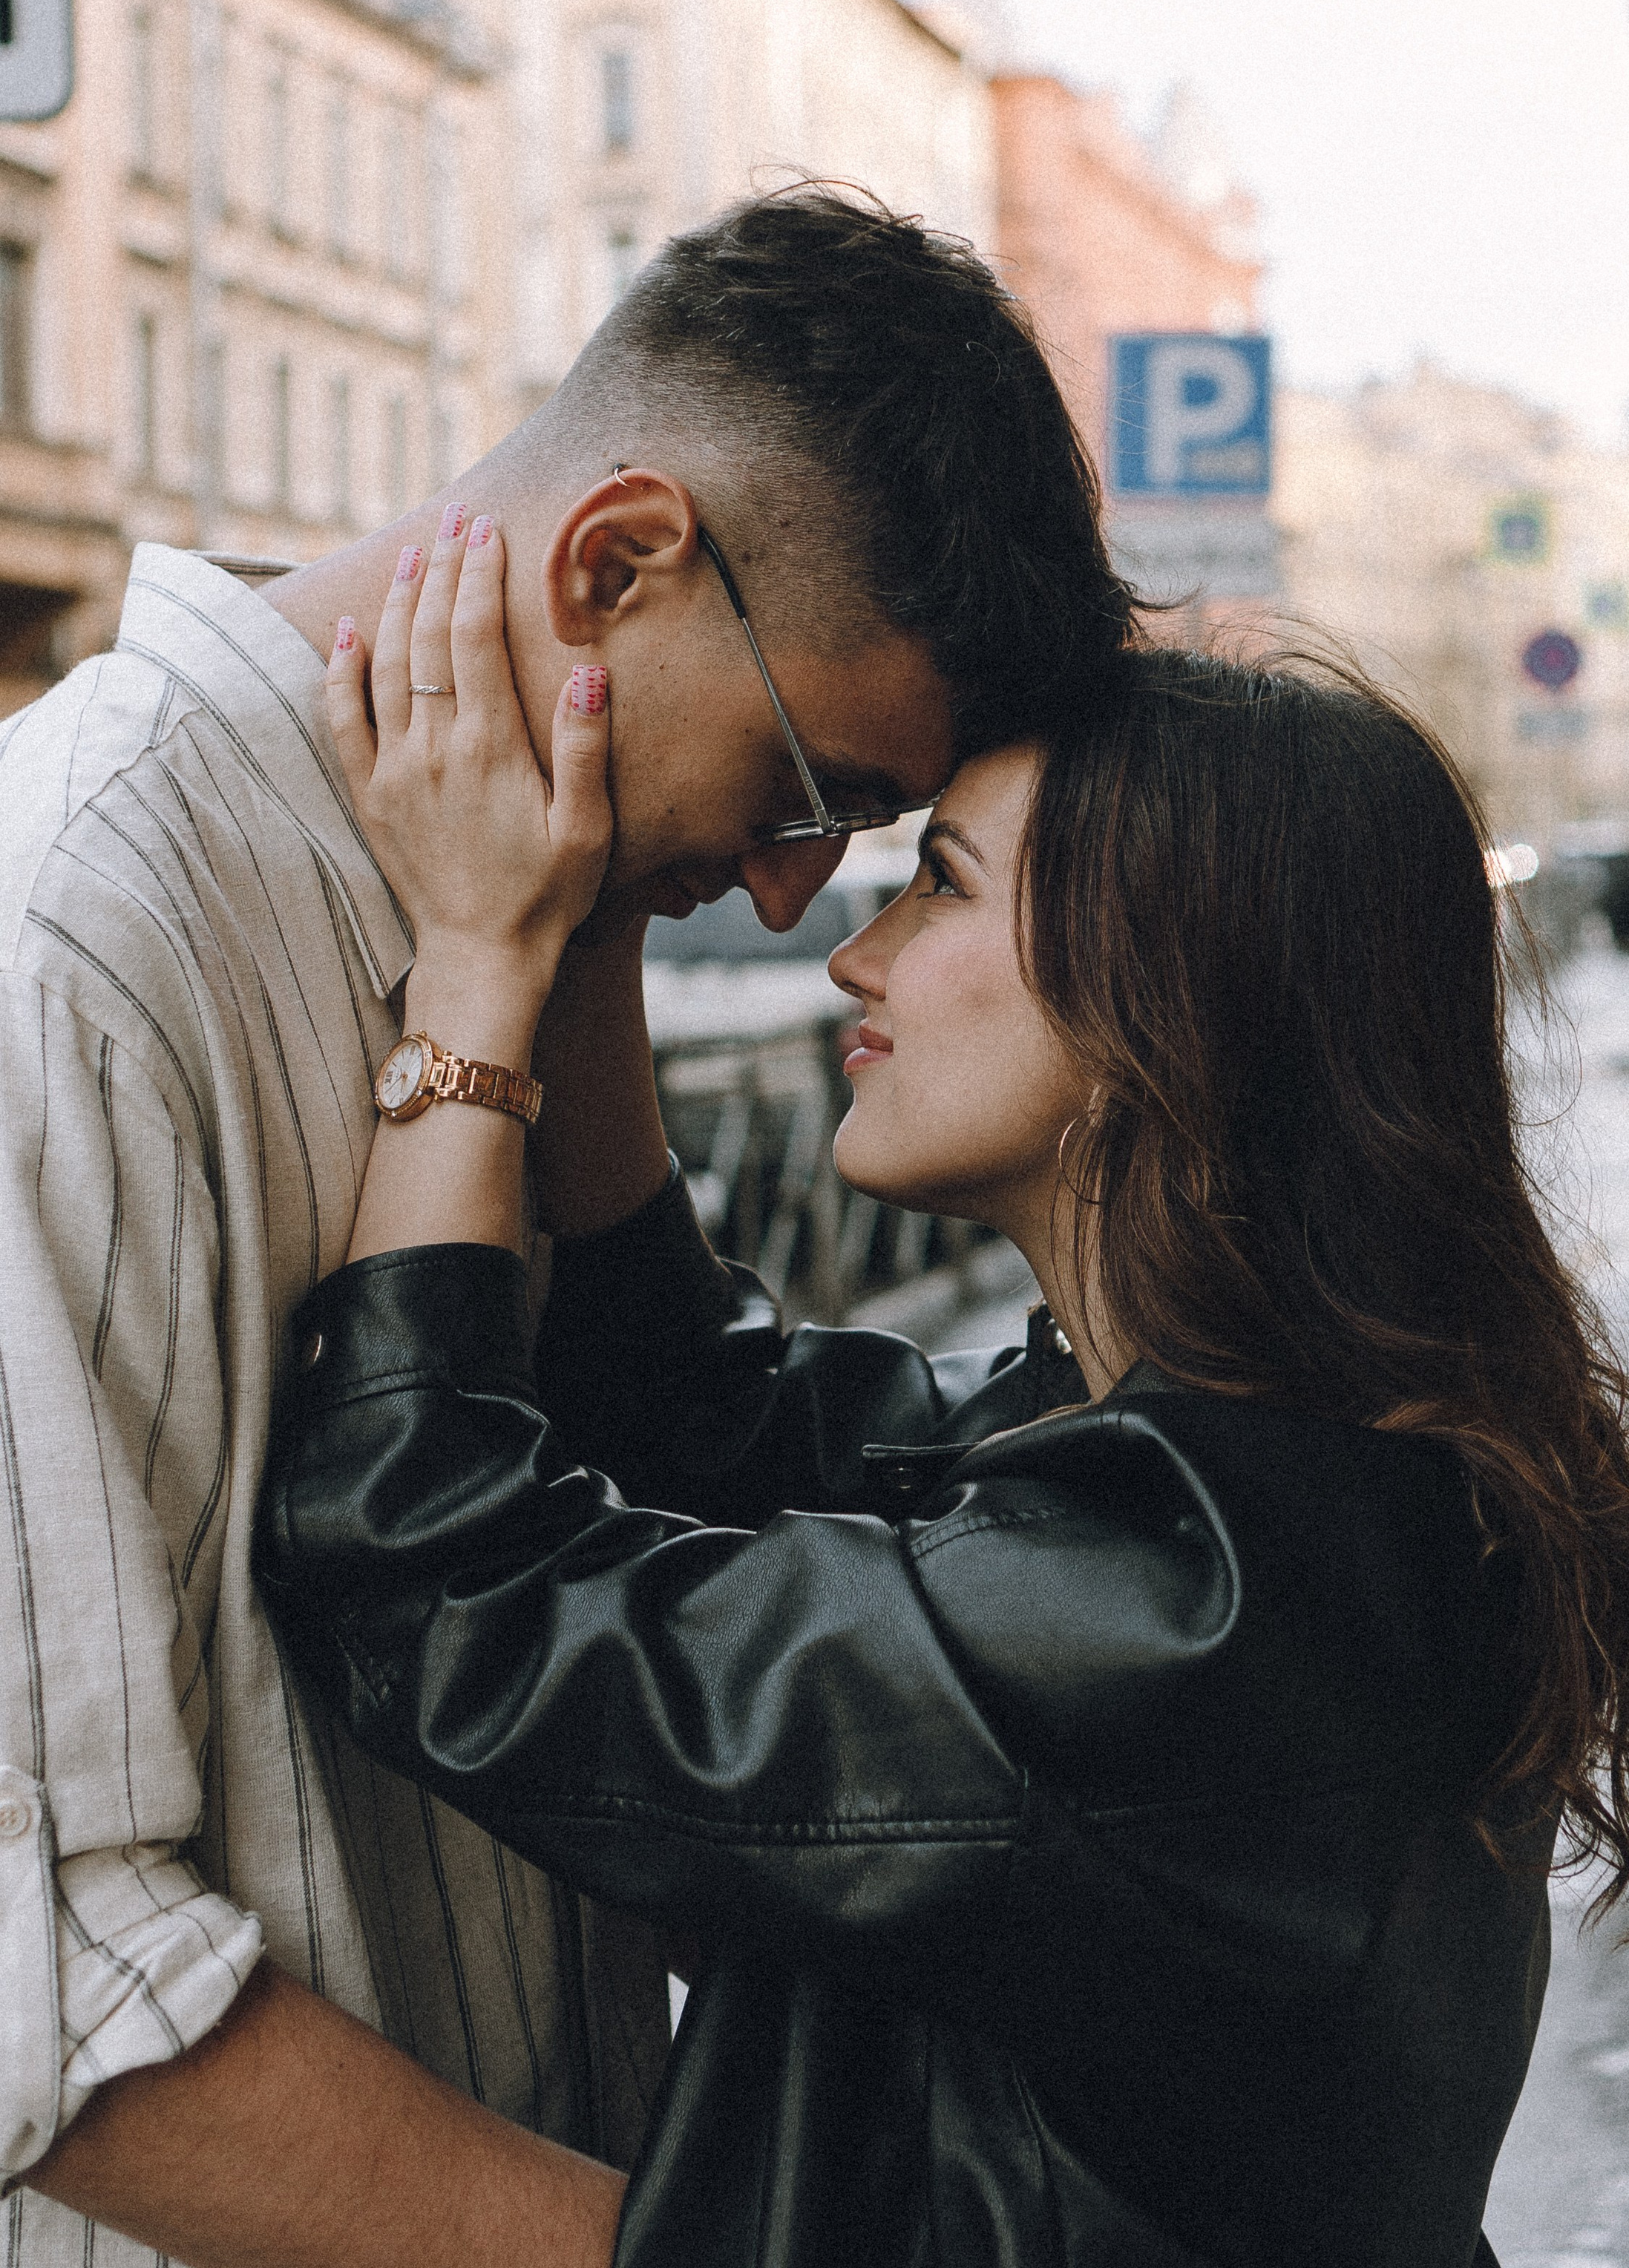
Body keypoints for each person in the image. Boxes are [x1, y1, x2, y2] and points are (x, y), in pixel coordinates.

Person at [260, 537, 1629, 2268]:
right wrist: (597, 915)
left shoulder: (1184, 1605)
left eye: (936, 883)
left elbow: (436, 1579)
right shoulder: (1271, 1460)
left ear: (1156, 991)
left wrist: (476, 978)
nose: (852, 959)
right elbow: (701, 1434)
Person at [0, 187, 1135, 2268]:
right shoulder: (71, 940)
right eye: (814, 793)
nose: (802, 901)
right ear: (618, 562)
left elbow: (662, 1456)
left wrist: (567, 927)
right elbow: (35, 1984)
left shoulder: (492, 909)